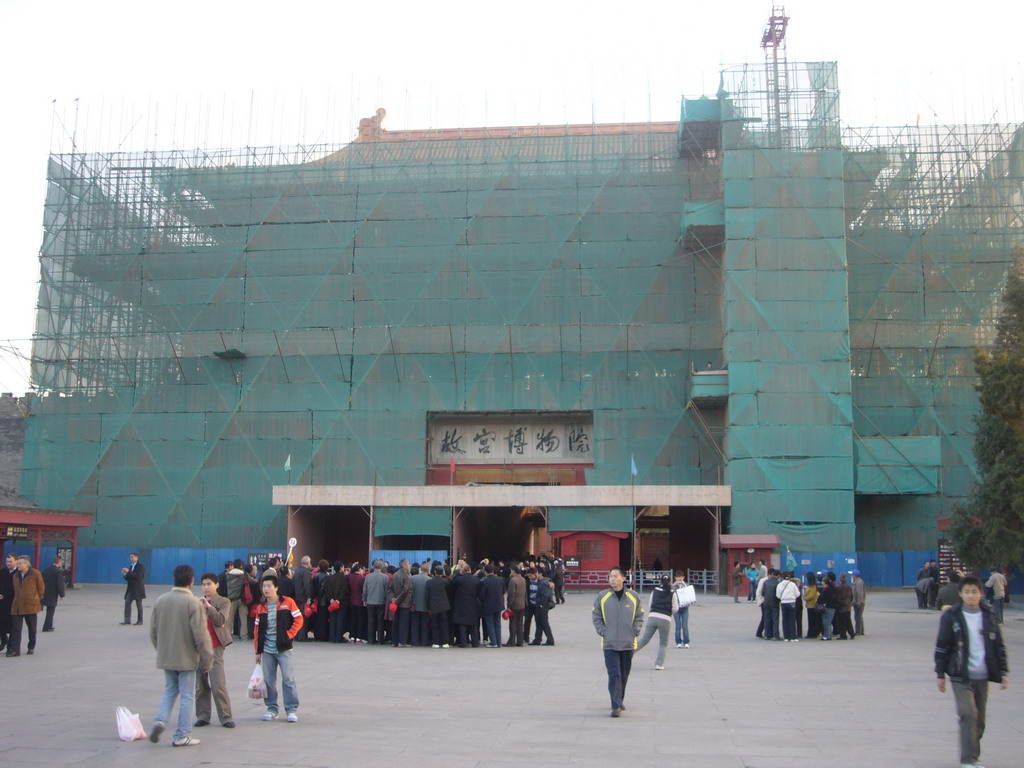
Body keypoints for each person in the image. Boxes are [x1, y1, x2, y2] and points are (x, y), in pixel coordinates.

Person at [934, 576, 1009, 768]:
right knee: (968, 714)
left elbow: (999, 646)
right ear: (960, 594)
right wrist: (940, 674)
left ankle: (974, 757)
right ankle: (967, 760)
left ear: (981, 593)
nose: (970, 596)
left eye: (974, 592)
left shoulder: (988, 615)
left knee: (979, 721)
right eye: (966, 592)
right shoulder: (952, 617)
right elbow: (942, 646)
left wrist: (1003, 671)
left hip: (982, 675)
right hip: (960, 675)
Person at [148, 564, 213, 747]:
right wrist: (207, 659)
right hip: (187, 658)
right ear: (191, 581)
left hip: (167, 655)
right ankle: (182, 734)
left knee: (170, 690)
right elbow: (201, 635)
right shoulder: (192, 602)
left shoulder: (162, 600)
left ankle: (160, 720)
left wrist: (161, 649)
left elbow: (153, 631)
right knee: (187, 695)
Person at [592, 566, 644, 717]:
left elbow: (639, 616)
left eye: (615, 576)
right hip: (609, 643)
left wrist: (635, 630)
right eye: (610, 576)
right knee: (614, 673)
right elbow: (596, 617)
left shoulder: (633, 596)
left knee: (624, 674)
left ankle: (619, 699)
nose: (612, 579)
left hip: (628, 643)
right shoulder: (602, 596)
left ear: (623, 578)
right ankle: (615, 705)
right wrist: (603, 632)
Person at [253, 574, 303, 722]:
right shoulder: (261, 607)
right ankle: (271, 708)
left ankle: (291, 709)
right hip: (267, 650)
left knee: (288, 679)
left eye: (269, 586)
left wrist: (289, 634)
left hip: (284, 649)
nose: (266, 589)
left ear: (276, 588)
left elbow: (299, 619)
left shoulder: (288, 602)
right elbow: (256, 630)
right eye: (264, 586)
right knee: (269, 680)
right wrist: (257, 650)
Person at [194, 573, 234, 729]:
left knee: (218, 684)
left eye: (209, 584)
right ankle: (203, 715)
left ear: (216, 585)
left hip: (216, 647)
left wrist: (208, 607)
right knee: (200, 685)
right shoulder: (196, 603)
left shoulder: (223, 601)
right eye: (203, 584)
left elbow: (220, 620)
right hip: (199, 648)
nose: (206, 587)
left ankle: (226, 716)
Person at [9, 555, 45, 656]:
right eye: (18, 563)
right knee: (16, 629)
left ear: (26, 564)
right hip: (17, 606)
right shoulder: (15, 576)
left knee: (32, 628)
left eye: (20, 563)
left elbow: (41, 588)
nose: (18, 565)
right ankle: (15, 650)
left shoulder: (35, 574)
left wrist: (36, 599)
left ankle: (31, 647)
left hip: (31, 606)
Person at [635, 575, 674, 668]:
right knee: (663, 642)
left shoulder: (655, 591)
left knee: (644, 639)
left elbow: (650, 604)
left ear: (660, 582)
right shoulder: (672, 592)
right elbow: (675, 608)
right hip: (665, 618)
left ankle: (628, 653)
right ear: (669, 582)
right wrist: (668, 613)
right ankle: (659, 664)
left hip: (652, 617)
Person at [451, 563, 480, 647]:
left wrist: (458, 574)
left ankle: (463, 643)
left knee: (462, 624)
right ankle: (475, 642)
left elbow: (452, 586)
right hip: (473, 603)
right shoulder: (476, 580)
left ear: (462, 571)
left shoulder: (459, 580)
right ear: (470, 570)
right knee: (474, 624)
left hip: (461, 603)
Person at [362, 560, 389, 645]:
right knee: (380, 621)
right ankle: (380, 640)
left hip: (370, 601)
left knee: (371, 621)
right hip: (381, 601)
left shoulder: (368, 577)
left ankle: (371, 639)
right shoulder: (385, 577)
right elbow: (386, 591)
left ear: (373, 567)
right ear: (381, 567)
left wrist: (364, 599)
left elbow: (365, 590)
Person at [478, 564, 504, 648]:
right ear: (492, 571)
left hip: (488, 605)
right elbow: (503, 591)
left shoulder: (484, 582)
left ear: (485, 572)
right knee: (497, 623)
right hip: (499, 604)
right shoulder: (500, 580)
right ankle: (498, 642)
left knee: (490, 623)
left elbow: (481, 595)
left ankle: (493, 642)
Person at [322, 561, 349, 644]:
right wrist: (339, 599)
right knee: (340, 619)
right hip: (341, 602)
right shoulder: (344, 578)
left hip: (331, 602)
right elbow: (344, 590)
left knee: (333, 619)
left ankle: (332, 637)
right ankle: (338, 637)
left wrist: (331, 599)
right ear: (341, 568)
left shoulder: (330, 578)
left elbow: (326, 590)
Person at [389, 558, 414, 647]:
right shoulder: (406, 576)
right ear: (404, 565)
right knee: (404, 623)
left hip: (396, 603)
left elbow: (390, 588)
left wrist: (393, 599)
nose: (409, 565)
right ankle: (402, 641)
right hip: (405, 603)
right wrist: (398, 600)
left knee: (396, 622)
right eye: (408, 564)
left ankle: (394, 641)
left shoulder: (395, 575)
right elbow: (405, 590)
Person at [426, 563, 451, 648]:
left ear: (435, 572)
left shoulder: (429, 582)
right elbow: (449, 593)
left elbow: (427, 595)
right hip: (444, 605)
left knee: (435, 624)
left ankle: (436, 642)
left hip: (433, 606)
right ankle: (445, 642)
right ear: (442, 572)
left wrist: (427, 606)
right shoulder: (445, 581)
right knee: (444, 624)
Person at [529, 568, 555, 646]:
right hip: (541, 606)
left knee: (544, 623)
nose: (536, 574)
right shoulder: (542, 582)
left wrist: (541, 604)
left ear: (540, 574)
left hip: (542, 607)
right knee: (539, 623)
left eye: (537, 573)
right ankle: (537, 639)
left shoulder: (543, 583)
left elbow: (545, 595)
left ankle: (550, 640)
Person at [41, 555, 66, 632]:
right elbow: (60, 584)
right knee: (51, 611)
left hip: (45, 592)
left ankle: (48, 625)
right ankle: (47, 626)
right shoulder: (58, 571)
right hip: (53, 593)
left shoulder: (46, 569)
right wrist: (62, 595)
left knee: (49, 610)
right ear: (59, 562)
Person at [122, 552, 146, 625]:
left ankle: (140, 620)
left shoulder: (140, 566)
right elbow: (130, 578)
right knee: (127, 603)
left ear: (137, 558)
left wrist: (128, 572)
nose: (131, 559)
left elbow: (138, 576)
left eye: (132, 557)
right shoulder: (131, 566)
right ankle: (127, 620)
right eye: (130, 557)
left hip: (138, 589)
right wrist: (125, 575)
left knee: (139, 605)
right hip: (130, 589)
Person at [505, 565, 527, 647]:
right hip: (522, 604)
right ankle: (520, 641)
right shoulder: (523, 579)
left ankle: (511, 641)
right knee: (520, 624)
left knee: (513, 624)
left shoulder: (513, 581)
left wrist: (509, 604)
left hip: (514, 605)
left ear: (513, 571)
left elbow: (511, 594)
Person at [776, 570, 800, 642]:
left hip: (783, 602)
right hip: (792, 602)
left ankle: (786, 637)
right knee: (792, 620)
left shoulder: (779, 585)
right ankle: (793, 636)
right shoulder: (792, 585)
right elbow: (797, 594)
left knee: (785, 620)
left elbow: (778, 595)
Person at [410, 561, 430, 646]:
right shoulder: (429, 580)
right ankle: (424, 641)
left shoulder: (413, 578)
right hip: (425, 606)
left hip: (415, 605)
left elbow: (411, 592)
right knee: (425, 625)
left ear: (420, 569)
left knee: (415, 624)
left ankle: (415, 641)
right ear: (428, 571)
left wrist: (412, 603)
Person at [224, 560, 246, 638]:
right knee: (243, 619)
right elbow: (252, 581)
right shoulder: (243, 574)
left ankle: (228, 635)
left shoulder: (228, 575)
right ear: (240, 566)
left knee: (230, 618)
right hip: (241, 599)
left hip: (231, 599)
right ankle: (244, 636)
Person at [672, 571, 692, 648]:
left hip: (685, 608)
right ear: (675, 578)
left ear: (683, 577)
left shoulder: (686, 585)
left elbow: (690, 594)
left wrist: (685, 585)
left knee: (684, 625)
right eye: (678, 577)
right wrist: (673, 585)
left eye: (681, 577)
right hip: (676, 609)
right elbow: (668, 592)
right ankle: (678, 642)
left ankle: (686, 641)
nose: (679, 578)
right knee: (678, 625)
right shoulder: (673, 586)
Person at [0, 553, 16, 652]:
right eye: (7, 561)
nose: (8, 563)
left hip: (14, 602)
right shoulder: (2, 571)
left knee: (13, 625)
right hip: (2, 601)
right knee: (1, 623)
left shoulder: (18, 573)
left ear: (16, 562)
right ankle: (3, 640)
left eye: (10, 561)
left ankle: (11, 645)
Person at [835, 573, 855, 640]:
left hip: (842, 607)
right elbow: (851, 596)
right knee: (848, 621)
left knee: (842, 622)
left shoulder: (840, 587)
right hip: (848, 606)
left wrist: (838, 603)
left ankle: (843, 635)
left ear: (840, 579)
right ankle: (852, 633)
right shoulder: (849, 586)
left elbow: (839, 597)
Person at [817, 574, 837, 641]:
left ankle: (826, 636)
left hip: (828, 607)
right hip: (831, 607)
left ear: (824, 582)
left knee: (826, 622)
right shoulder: (830, 589)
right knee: (828, 622)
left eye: (822, 581)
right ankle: (829, 635)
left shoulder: (827, 590)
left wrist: (819, 597)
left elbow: (822, 598)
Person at [803, 572, 821, 639]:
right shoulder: (810, 586)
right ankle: (812, 632)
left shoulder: (813, 586)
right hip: (809, 605)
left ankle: (812, 633)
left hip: (812, 605)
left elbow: (811, 595)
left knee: (812, 620)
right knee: (811, 620)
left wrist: (805, 597)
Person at [851, 569, 867, 635]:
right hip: (859, 602)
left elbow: (860, 593)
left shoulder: (859, 583)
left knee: (858, 617)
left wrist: (858, 602)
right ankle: (861, 630)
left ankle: (858, 631)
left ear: (855, 576)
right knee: (859, 616)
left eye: (852, 575)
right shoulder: (858, 582)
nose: (852, 577)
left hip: (859, 603)